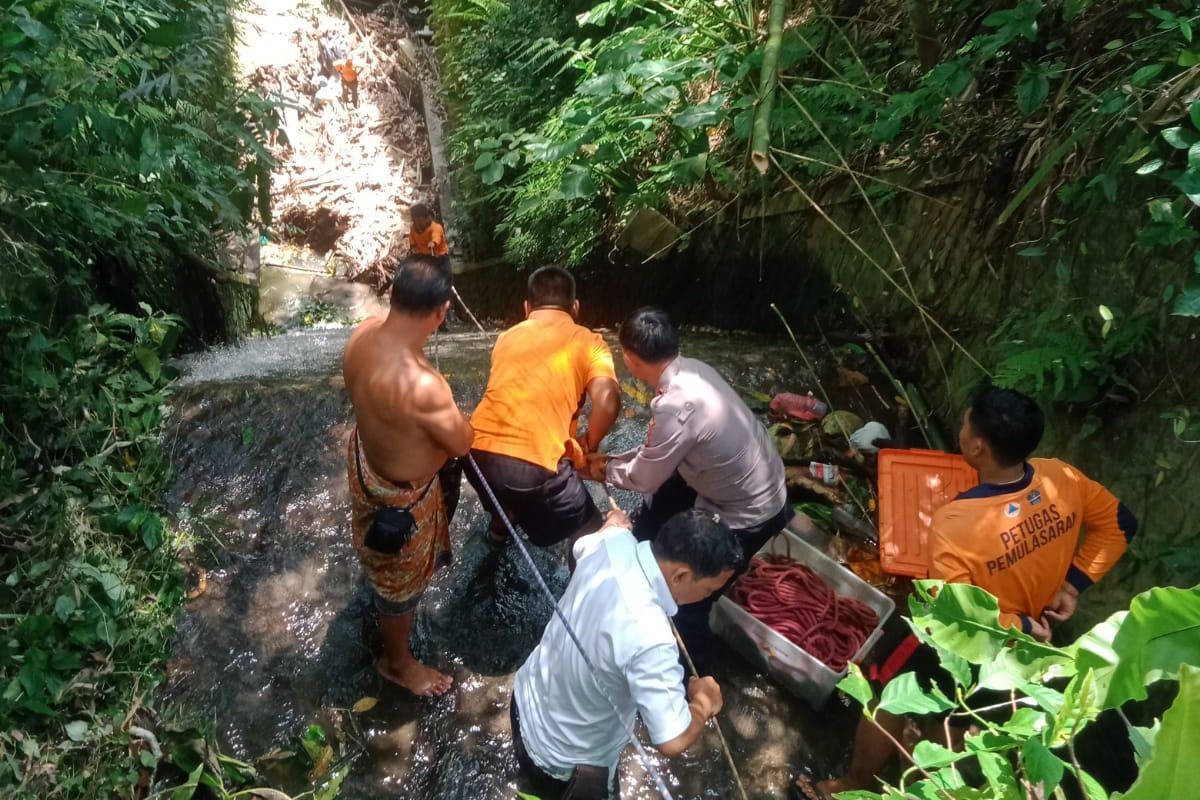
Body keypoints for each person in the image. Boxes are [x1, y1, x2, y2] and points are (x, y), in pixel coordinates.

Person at [796, 385, 1137, 800]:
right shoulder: (1060, 477)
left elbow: (951, 611)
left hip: (968, 641)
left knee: (887, 696)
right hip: (1021, 651)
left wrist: (1019, 624)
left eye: (964, 423)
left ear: (977, 446)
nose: (960, 429)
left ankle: (853, 785)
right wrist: (1072, 584)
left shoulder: (955, 524)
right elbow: (1121, 524)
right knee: (958, 717)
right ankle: (922, 790)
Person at [587, 306, 791, 675]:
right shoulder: (694, 370)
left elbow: (645, 478)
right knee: (662, 499)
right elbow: (659, 452)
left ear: (629, 358)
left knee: (688, 597)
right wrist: (612, 461)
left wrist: (600, 470)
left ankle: (693, 674)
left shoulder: (675, 408)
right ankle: (643, 545)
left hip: (746, 515)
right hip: (759, 486)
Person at [511, 508, 739, 800]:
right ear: (681, 575)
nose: (707, 596)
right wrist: (703, 703)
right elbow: (672, 740)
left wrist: (611, 525)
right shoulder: (653, 638)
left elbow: (584, 546)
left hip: (524, 703)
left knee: (535, 786)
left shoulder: (614, 542)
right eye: (708, 589)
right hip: (567, 765)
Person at [342, 255, 473, 696]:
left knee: (382, 562)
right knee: (400, 586)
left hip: (366, 463)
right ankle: (397, 663)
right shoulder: (425, 386)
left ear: (393, 294)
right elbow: (462, 443)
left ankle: (376, 576)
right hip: (400, 497)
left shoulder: (362, 334)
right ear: (441, 311)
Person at [466, 266, 620, 561]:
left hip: (476, 455)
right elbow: (608, 401)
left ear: (527, 308)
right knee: (591, 534)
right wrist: (590, 443)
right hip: (534, 468)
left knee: (506, 499)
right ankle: (583, 585)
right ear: (576, 307)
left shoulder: (506, 338)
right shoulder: (589, 342)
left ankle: (497, 537)